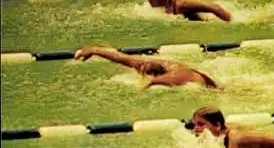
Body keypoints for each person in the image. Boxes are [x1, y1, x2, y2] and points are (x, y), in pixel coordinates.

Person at [74, 46, 219, 89]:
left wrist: (140, 90)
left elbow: (151, 82)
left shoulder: (178, 75)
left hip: (216, 91)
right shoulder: (145, 64)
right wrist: (95, 50)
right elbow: (119, 57)